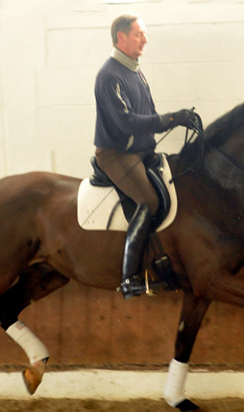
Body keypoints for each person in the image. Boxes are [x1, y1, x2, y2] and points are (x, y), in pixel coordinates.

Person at [94, 13, 197, 299]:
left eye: (144, 34)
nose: (145, 40)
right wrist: (173, 118)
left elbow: (148, 115)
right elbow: (126, 123)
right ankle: (129, 277)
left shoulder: (135, 71)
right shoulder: (109, 76)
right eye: (139, 34)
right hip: (117, 155)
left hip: (140, 152)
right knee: (149, 200)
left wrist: (176, 120)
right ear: (121, 38)